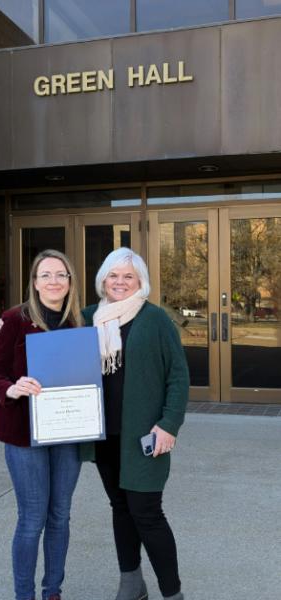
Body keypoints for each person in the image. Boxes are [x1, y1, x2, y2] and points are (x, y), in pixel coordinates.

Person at [80, 247, 188, 600]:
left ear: (140, 282)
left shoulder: (154, 319)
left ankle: (172, 594)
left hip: (145, 435)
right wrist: (10, 320)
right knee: (120, 507)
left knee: (148, 513)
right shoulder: (88, 317)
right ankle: (131, 584)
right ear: (103, 280)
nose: (120, 282)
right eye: (114, 275)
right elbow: (44, 327)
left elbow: (178, 376)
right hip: (104, 435)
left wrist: (169, 424)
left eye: (129, 276)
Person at [0, 249, 84, 600]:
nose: (54, 281)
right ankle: (24, 595)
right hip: (24, 433)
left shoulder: (81, 323)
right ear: (35, 282)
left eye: (60, 275)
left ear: (70, 281)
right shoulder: (14, 319)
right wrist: (11, 388)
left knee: (60, 515)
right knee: (32, 519)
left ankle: (52, 591)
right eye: (46, 275)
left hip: (68, 431)